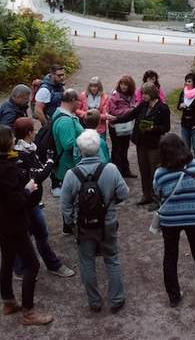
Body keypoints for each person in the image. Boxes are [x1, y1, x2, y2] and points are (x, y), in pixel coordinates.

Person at [61, 130, 129, 313]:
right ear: (98, 147)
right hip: (107, 222)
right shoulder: (111, 169)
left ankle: (94, 302)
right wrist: (110, 203)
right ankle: (116, 299)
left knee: (87, 262)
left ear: (79, 150)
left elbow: (65, 205)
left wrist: (72, 224)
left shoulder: (71, 174)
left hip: (84, 225)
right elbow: (125, 194)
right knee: (112, 259)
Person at [0, 125, 53, 325]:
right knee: (32, 264)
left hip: (2, 222)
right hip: (13, 223)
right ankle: (29, 312)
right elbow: (16, 202)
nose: (15, 138)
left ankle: (8, 301)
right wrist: (28, 189)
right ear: (7, 142)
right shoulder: (7, 169)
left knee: (7, 259)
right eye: (12, 136)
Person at [13, 117, 75, 279]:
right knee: (38, 235)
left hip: (31, 202)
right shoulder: (22, 153)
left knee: (29, 235)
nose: (34, 132)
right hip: (27, 203)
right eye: (33, 130)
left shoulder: (26, 148)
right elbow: (38, 176)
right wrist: (49, 161)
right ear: (28, 133)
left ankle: (21, 268)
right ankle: (49, 265)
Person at [153, 133, 195, 307]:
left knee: (170, 256)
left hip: (170, 219)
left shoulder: (160, 173)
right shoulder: (194, 166)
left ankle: (174, 296)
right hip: (194, 216)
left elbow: (158, 194)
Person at [111, 83, 170, 210]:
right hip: (141, 143)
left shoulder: (163, 108)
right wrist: (115, 120)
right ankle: (146, 195)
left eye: (145, 94)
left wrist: (153, 128)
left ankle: (156, 198)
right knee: (144, 170)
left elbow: (166, 127)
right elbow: (130, 115)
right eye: (142, 93)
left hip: (154, 145)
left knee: (154, 172)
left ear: (152, 94)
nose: (142, 96)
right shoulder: (143, 105)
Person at [51, 89, 84, 199]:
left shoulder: (59, 112)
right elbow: (68, 144)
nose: (80, 104)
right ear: (73, 100)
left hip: (66, 165)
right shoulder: (66, 121)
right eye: (78, 101)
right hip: (67, 166)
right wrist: (86, 139)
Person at [108, 75, 137, 178]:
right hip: (115, 126)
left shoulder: (132, 96)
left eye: (126, 84)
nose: (123, 86)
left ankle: (125, 170)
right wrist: (129, 111)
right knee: (117, 149)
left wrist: (131, 111)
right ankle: (116, 173)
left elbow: (136, 107)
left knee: (125, 148)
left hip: (127, 125)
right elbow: (113, 111)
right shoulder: (115, 95)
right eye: (122, 84)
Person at [177, 73, 195, 164]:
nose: (186, 83)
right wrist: (180, 106)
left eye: (189, 81)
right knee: (185, 147)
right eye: (186, 81)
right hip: (185, 124)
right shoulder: (183, 92)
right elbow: (178, 106)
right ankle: (187, 166)